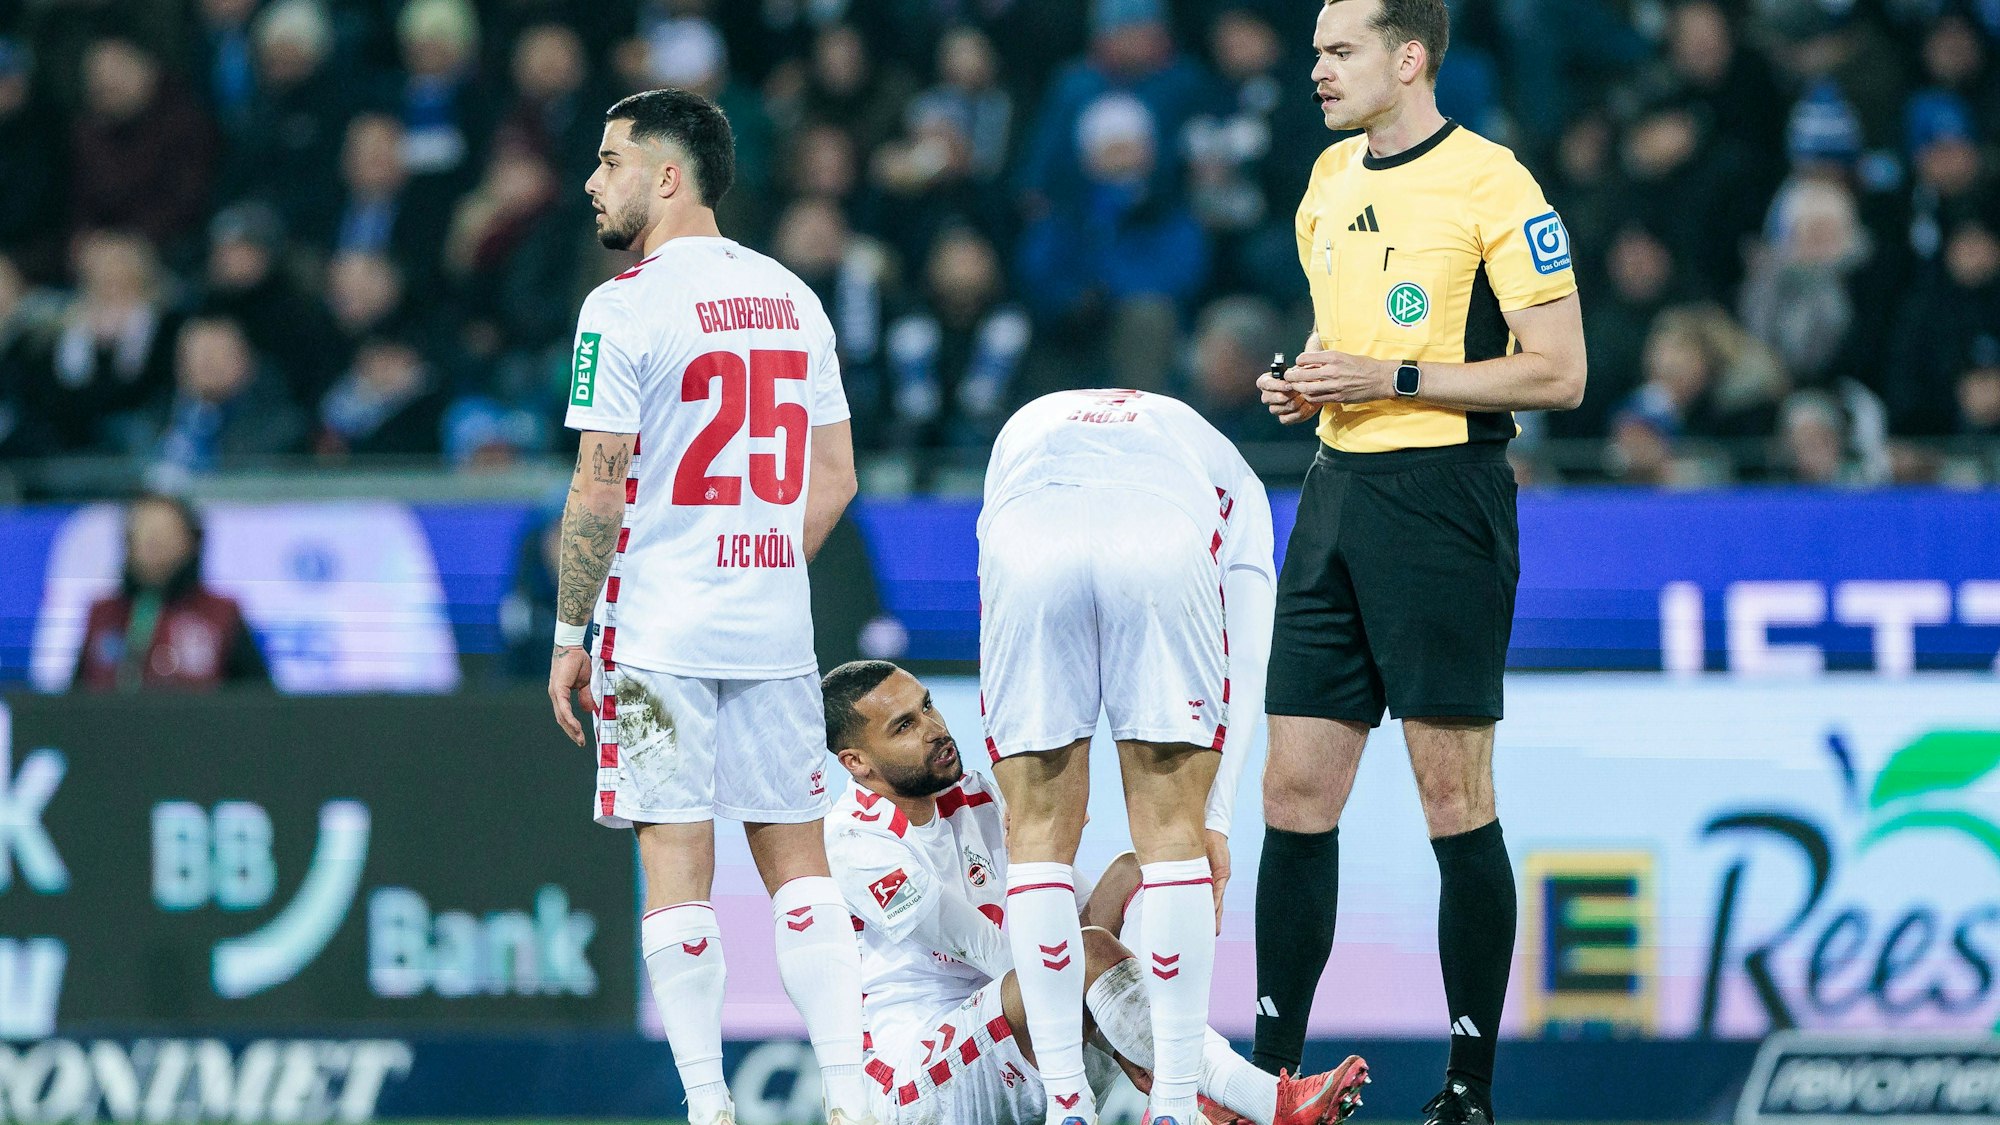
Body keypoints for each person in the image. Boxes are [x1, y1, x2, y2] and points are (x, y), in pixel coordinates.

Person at [1250, 3, 1588, 1124]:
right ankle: (1266, 1084)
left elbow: (1557, 374)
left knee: (1452, 796)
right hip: (1333, 493)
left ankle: (1465, 1089)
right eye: (1312, 53)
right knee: (1291, 790)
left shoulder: (1495, 185)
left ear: (1408, 59)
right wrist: (1308, 385)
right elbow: (1340, 349)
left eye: (1337, 52)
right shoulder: (1323, 181)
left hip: (1442, 498)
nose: (1316, 72)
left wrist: (1388, 377)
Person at [542, 88, 870, 1125]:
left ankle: (705, 1106)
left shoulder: (622, 305)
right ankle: (857, 1100)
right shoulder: (793, 298)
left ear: (668, 176)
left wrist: (567, 632)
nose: (591, 181)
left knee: (676, 866)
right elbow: (836, 476)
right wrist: (767, 559)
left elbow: (598, 483)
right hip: (771, 625)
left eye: (608, 160)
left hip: (656, 628)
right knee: (800, 867)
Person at [820, 659, 1368, 1125]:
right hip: (914, 1078)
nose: (935, 727)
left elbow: (1068, 907)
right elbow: (986, 950)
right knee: (1079, 955)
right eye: (904, 726)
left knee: (1139, 869)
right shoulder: (853, 836)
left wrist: (1114, 1002)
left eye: (928, 706)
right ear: (856, 763)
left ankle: (1196, 1093)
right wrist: (1119, 1034)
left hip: (1009, 1028)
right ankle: (1250, 1099)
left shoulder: (977, 794)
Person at [978, 388, 1276, 1125]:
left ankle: (1066, 1104)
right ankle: (1173, 1104)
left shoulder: (1025, 423)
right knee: (1171, 834)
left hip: (1027, 529)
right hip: (1160, 529)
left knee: (1039, 834)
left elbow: (994, 565)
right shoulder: (1231, 469)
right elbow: (1249, 646)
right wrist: (1215, 814)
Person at [73, 492, 268, 690]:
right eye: (142, 532)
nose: (153, 544)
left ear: (190, 542)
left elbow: (260, 701)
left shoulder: (221, 613)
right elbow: (72, 704)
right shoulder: (103, 614)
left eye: (164, 533)